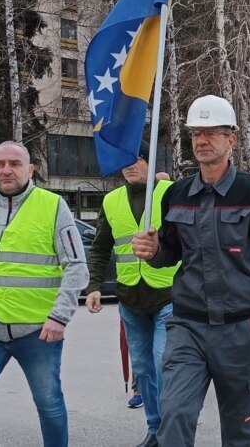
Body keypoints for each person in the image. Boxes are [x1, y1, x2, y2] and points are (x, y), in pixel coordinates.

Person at [131, 95, 250, 447]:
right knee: (173, 417)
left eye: (211, 133)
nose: (202, 141)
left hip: (240, 330)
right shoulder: (176, 194)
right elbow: (171, 252)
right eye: (195, 134)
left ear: (231, 139)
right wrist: (154, 250)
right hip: (187, 328)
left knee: (238, 433)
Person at [0, 141, 88, 447]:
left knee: (48, 403)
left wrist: (59, 317)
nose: (6, 170)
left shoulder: (52, 206)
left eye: (14, 163)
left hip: (39, 330)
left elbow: (77, 266)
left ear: (30, 169)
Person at [85, 146, 175, 447]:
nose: (129, 166)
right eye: (124, 160)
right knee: (143, 369)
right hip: (130, 300)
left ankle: (171, 430)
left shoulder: (172, 193)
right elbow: (99, 247)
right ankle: (154, 428)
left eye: (137, 158)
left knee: (164, 364)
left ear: (151, 163)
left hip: (168, 296)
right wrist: (94, 285)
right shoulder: (111, 200)